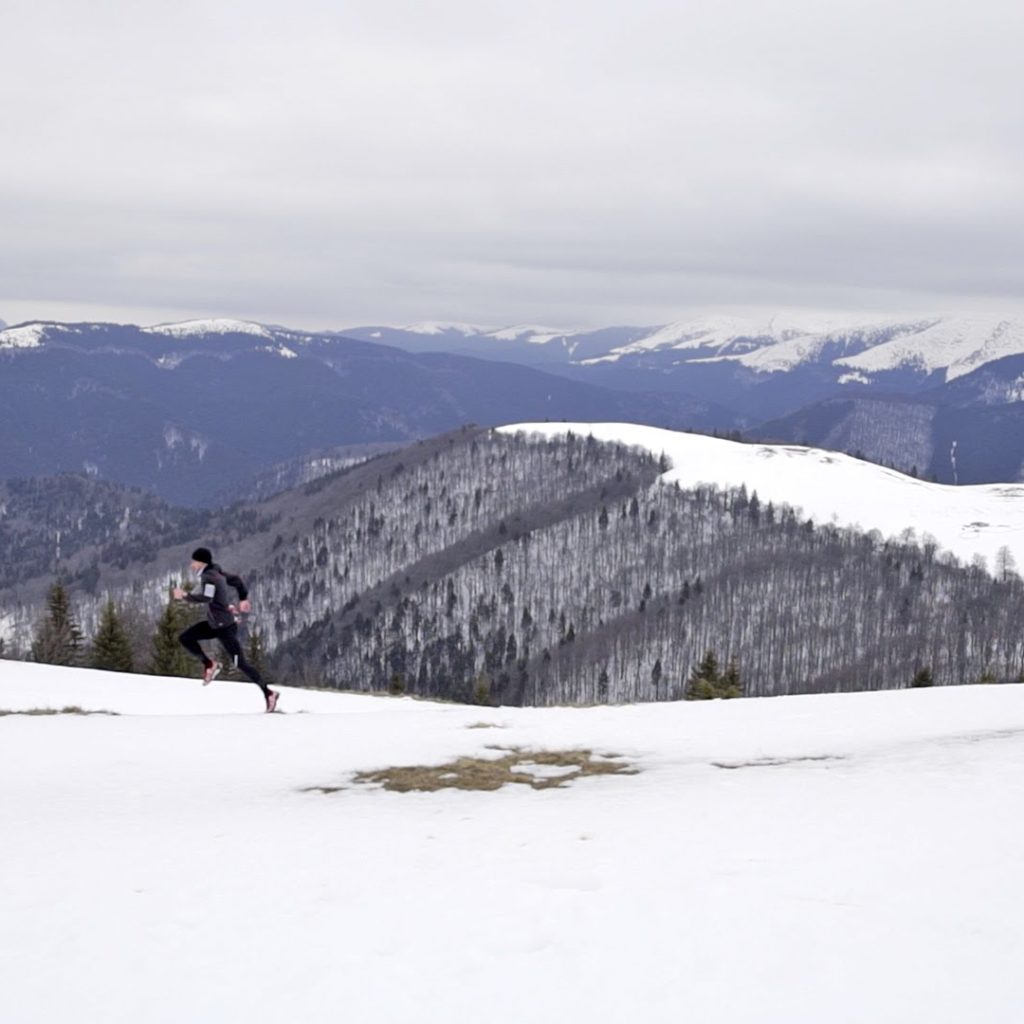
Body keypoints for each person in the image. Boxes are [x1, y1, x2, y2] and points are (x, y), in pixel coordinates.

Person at [173, 547, 279, 712]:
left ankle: (269, 693)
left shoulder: (209, 577)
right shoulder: (217, 572)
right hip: (216, 624)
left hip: (224, 628)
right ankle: (209, 664)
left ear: (202, 562)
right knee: (186, 638)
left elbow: (207, 597)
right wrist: (243, 598)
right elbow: (236, 580)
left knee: (240, 663)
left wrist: (185, 596)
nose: (192, 564)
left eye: (194, 561)